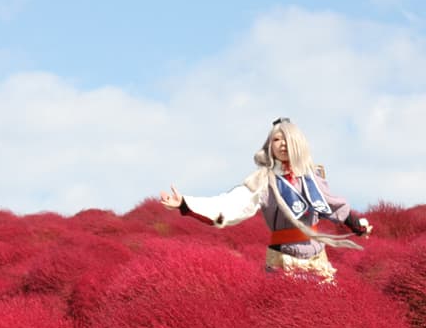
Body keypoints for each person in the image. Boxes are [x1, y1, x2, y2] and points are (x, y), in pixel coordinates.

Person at [159, 118, 372, 283]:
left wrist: (355, 223)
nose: (282, 144)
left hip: (318, 258)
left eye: (286, 139)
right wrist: (186, 203)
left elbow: (333, 205)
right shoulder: (263, 180)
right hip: (283, 257)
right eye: (276, 140)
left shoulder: (311, 177)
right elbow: (230, 205)